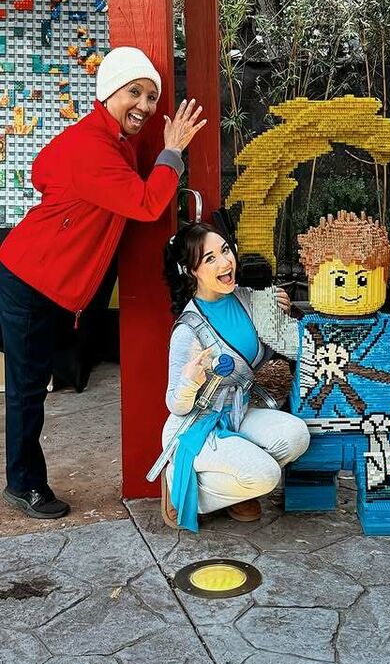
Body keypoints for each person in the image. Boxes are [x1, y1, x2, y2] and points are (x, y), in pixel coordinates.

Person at [0, 46, 206, 520]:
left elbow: (41, 171)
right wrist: (173, 150)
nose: (145, 106)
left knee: (37, 382)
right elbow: (148, 203)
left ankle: (22, 476)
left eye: (151, 97)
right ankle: (23, 484)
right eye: (135, 92)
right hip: (30, 279)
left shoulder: (112, 141)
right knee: (27, 389)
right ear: (109, 91)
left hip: (53, 284)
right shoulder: (93, 145)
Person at [160, 222, 310, 530]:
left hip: (239, 413)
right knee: (267, 475)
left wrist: (285, 312)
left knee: (296, 436)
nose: (225, 262)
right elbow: (175, 404)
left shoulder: (249, 298)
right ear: (191, 271)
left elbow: (292, 346)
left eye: (225, 250)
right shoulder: (188, 330)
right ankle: (179, 486)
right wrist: (191, 380)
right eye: (210, 258)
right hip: (198, 426)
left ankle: (235, 488)